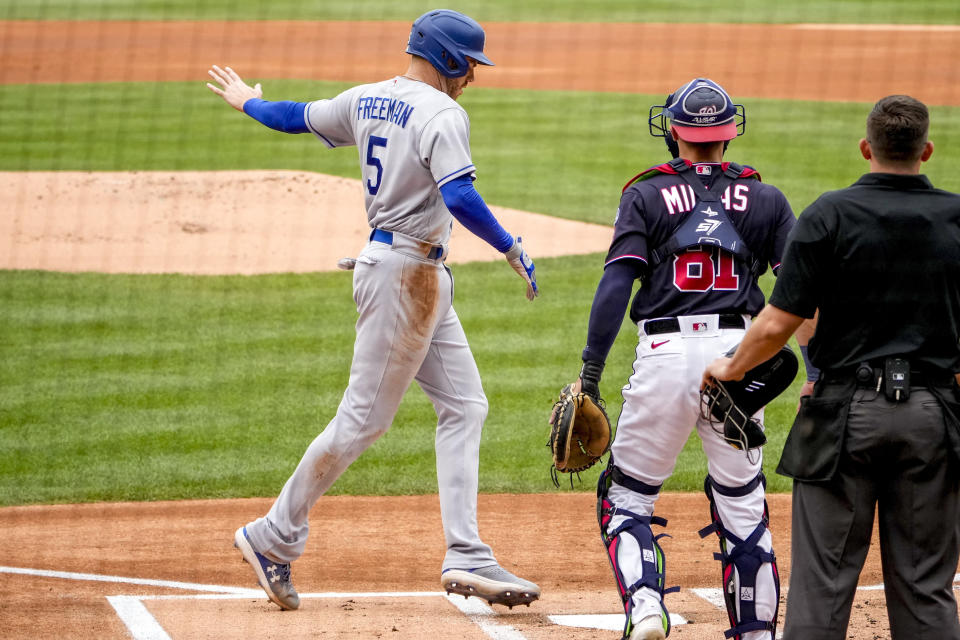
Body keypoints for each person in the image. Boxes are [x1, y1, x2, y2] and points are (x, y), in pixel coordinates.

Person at [205, 9, 541, 611]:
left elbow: (295, 117)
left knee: (466, 406)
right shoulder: (444, 112)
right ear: (443, 58)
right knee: (363, 419)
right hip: (403, 277)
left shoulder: (368, 99)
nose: (473, 76)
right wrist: (510, 246)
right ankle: (272, 536)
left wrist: (247, 103)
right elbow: (459, 193)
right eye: (468, 64)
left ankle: (466, 552)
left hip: (414, 273)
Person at [704, 94, 960, 639]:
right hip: (934, 417)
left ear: (866, 148)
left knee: (823, 582)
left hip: (843, 414)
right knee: (924, 584)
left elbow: (779, 322)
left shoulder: (829, 214)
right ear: (927, 150)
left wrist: (729, 367)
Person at [559, 78, 795, 640]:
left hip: (665, 354)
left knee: (626, 498)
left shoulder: (645, 194)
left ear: (674, 131)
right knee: (743, 507)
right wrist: (815, 376)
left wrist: (590, 374)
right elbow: (796, 300)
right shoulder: (767, 199)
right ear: (728, 132)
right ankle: (757, 633)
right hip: (739, 361)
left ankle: (645, 610)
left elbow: (616, 287)